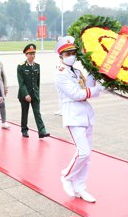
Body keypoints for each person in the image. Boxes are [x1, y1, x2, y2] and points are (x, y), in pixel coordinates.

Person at [55, 36, 104, 203]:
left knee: (87, 156)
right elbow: (76, 94)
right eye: (68, 53)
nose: (72, 55)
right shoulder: (60, 74)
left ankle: (80, 187)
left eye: (73, 52)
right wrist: (97, 90)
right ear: (61, 55)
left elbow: (87, 88)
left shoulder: (76, 72)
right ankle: (67, 177)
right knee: (83, 152)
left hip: (86, 115)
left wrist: (93, 71)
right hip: (73, 115)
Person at [17, 44, 50, 139]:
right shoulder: (21, 67)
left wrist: (37, 94)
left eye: (33, 53)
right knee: (25, 112)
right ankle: (24, 129)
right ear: (26, 55)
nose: (32, 55)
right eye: (30, 54)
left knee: (37, 112)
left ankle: (42, 131)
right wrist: (26, 94)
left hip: (35, 94)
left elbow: (37, 82)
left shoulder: (37, 66)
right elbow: (21, 83)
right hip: (24, 95)